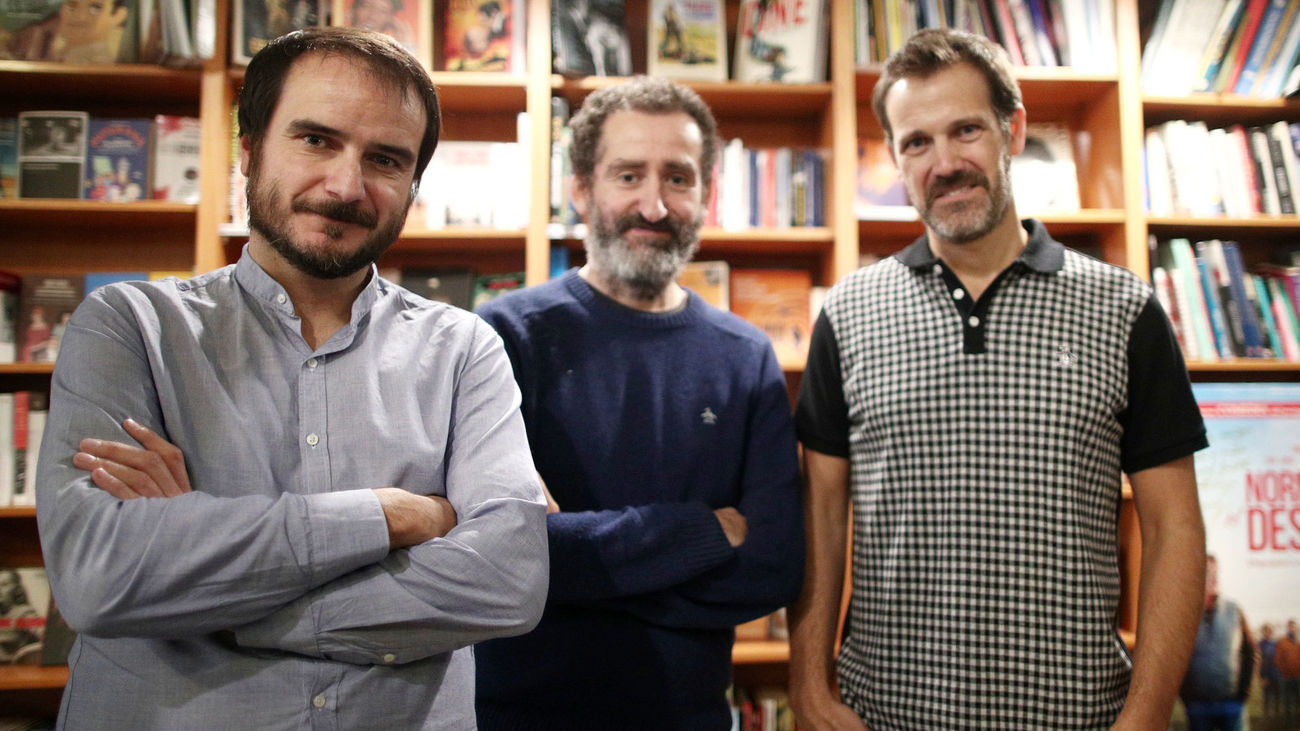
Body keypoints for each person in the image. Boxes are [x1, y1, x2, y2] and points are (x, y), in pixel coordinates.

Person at [35, 27, 548, 729]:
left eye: (385, 159)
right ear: (248, 152)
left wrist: (209, 590)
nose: (344, 185)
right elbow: (102, 577)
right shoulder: (129, 327)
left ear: (412, 185)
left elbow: (508, 581)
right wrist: (394, 515)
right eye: (315, 140)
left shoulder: (466, 350)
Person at [788, 28, 1208, 730]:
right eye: (916, 142)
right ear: (894, 157)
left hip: (1079, 715)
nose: (945, 162)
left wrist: (1146, 715)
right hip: (886, 714)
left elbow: (1175, 528)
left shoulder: (1125, 309)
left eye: (966, 131)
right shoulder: (848, 313)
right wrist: (809, 688)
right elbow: (821, 516)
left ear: (1012, 131)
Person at [473, 75, 804, 729]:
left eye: (678, 179)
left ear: (706, 194)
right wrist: (702, 531)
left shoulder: (745, 356)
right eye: (628, 175)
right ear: (581, 188)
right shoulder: (503, 337)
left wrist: (571, 572)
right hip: (518, 717)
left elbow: (771, 567)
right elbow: (497, 551)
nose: (654, 205)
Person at [1179, 556, 1256, 731]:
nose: (1213, 578)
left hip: (1231, 704)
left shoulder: (1234, 611)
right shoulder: (1185, 614)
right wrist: (1187, 697)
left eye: (1215, 572)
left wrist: (1243, 694)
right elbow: (1178, 658)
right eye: (1207, 572)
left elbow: (1250, 653)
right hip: (1198, 706)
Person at [1278, 619, 1300, 723]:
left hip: (1299, 676)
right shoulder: (1282, 642)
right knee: (1288, 699)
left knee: (1298, 699)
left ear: (1296, 628)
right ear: (1288, 628)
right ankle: (1288, 721)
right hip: (1287, 677)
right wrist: (1284, 672)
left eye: (1294, 627)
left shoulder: (1299, 642)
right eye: (1290, 627)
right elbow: (1278, 659)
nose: (1292, 628)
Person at [1260, 623, 1282, 722]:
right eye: (1265, 632)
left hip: (1276, 675)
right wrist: (1263, 676)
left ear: (1271, 633)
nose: (1267, 633)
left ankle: (1277, 717)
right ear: (1263, 633)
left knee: (1277, 697)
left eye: (1269, 632)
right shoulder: (1260, 644)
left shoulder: (1275, 644)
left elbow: (1279, 659)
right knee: (1267, 698)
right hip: (1266, 676)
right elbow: (1260, 662)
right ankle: (1266, 717)